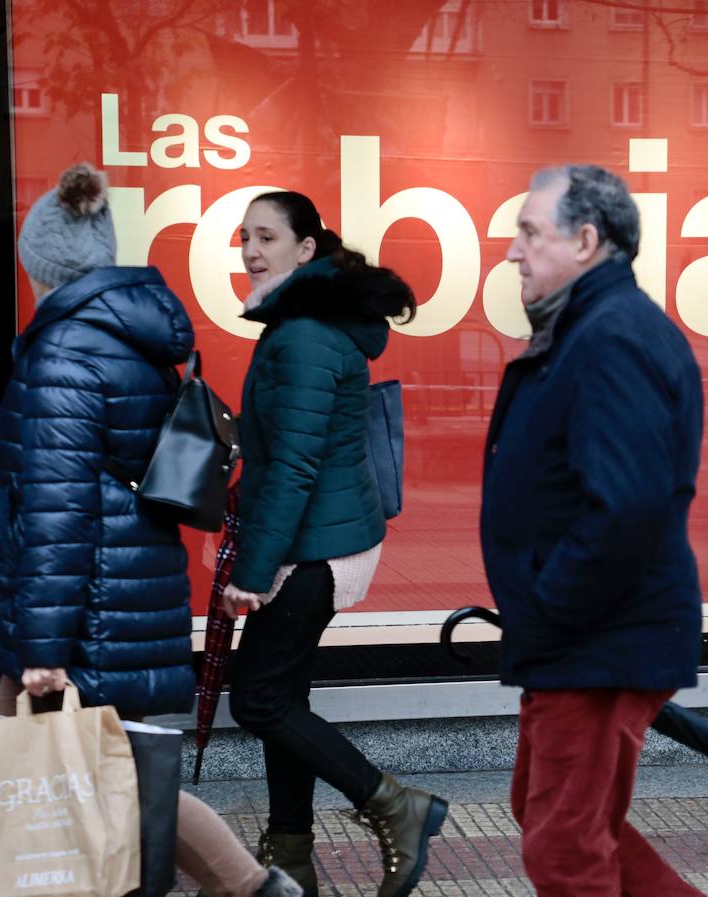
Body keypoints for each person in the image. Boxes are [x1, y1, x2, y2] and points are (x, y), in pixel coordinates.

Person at [0, 163, 299, 897]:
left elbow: (58, 512)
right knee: (71, 777)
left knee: (61, 782)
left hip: (81, 614)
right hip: (112, 594)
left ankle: (252, 888)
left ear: (38, 264)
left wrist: (44, 649)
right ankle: (251, 888)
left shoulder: (64, 352)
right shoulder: (126, 337)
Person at [480, 165, 708, 897]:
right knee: (550, 817)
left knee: (566, 848)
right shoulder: (593, 329)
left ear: (585, 240)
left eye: (529, 233)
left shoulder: (610, 338)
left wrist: (550, 608)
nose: (513, 251)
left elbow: (627, 507)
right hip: (586, 636)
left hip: (598, 638)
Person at [220, 191, 448, 897]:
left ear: (307, 249)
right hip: (315, 537)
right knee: (283, 697)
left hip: (311, 550)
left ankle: (393, 803)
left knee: (258, 700)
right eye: (245, 237)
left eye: (268, 236)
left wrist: (253, 572)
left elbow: (293, 465)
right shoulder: (302, 324)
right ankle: (290, 855)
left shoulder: (306, 335)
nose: (252, 250)